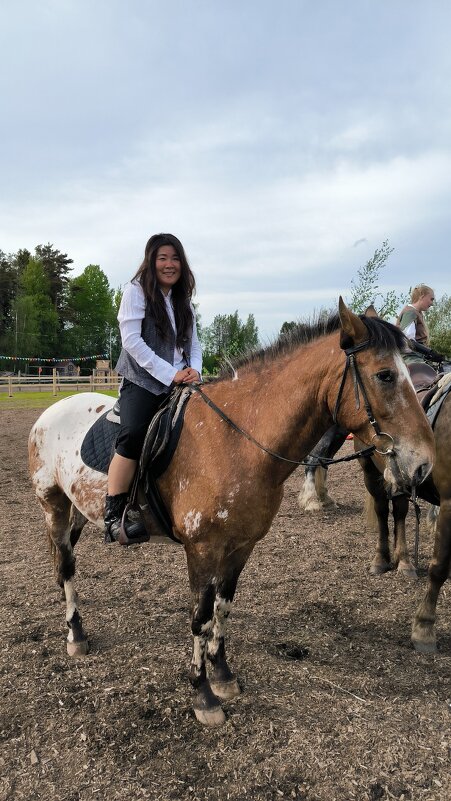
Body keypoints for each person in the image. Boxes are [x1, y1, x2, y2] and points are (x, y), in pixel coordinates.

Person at [105, 233, 202, 542]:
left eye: (175, 258)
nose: (169, 264)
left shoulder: (181, 299)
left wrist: (194, 370)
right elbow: (132, 342)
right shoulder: (135, 292)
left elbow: (194, 343)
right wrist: (170, 374)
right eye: (163, 258)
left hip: (180, 379)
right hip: (143, 381)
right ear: (151, 261)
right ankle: (114, 512)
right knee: (133, 434)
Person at [396, 284, 443, 364]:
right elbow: (407, 340)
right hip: (409, 357)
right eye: (431, 299)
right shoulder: (410, 313)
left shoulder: (417, 313)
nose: (432, 304)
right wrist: (429, 352)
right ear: (422, 296)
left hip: (417, 355)